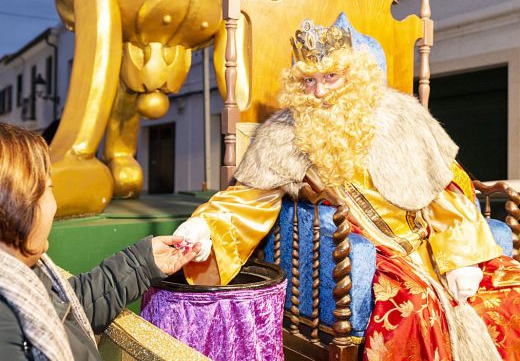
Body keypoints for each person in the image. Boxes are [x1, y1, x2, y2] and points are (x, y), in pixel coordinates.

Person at [173, 19, 520, 360]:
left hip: (432, 242)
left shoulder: (403, 118)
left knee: (511, 289)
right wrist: (206, 227)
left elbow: (446, 188)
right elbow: (247, 200)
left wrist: (462, 259)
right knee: (413, 309)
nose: (319, 91)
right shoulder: (282, 136)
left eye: (330, 77)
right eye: (309, 80)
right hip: (376, 252)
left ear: (353, 77)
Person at [0, 122, 201, 360]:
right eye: (49, 189)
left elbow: (71, 308)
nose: (55, 205)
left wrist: (143, 262)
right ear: (16, 206)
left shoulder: (22, 277)